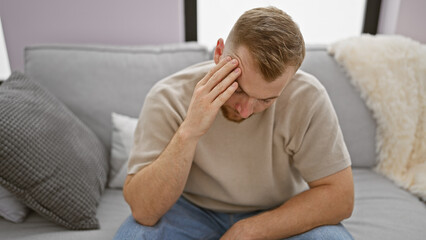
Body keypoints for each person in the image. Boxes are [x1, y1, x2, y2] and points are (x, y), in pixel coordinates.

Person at [114, 6, 354, 240]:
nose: (246, 110)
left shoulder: (307, 97)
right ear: (219, 53)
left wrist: (248, 231)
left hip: (276, 210)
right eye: (237, 89)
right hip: (188, 210)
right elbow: (143, 211)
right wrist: (189, 131)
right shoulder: (167, 97)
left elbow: (340, 197)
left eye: (266, 99)